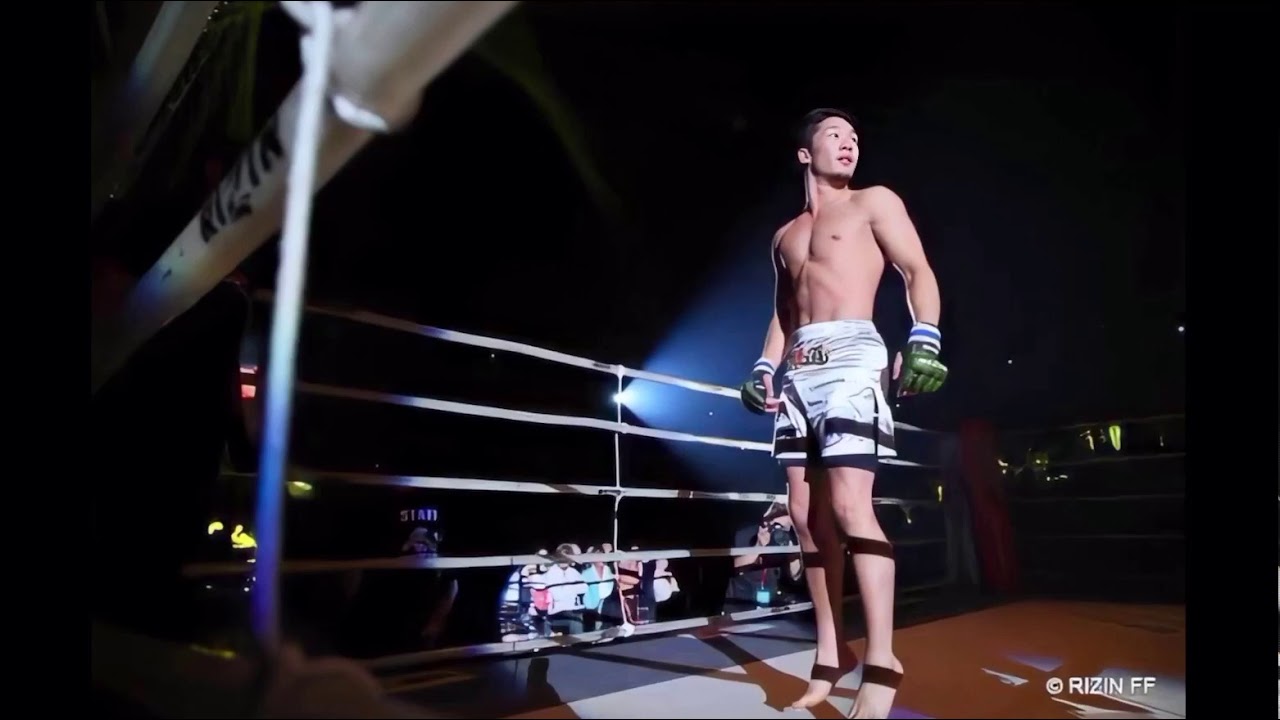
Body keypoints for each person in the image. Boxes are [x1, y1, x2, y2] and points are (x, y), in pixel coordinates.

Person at [737, 108, 948, 719]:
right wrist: (763, 366)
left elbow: (917, 270)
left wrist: (925, 336)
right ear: (805, 152)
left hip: (853, 356)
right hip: (799, 369)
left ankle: (883, 661)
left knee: (853, 507)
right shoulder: (784, 235)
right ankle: (829, 656)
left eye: (854, 137)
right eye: (835, 135)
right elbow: (786, 312)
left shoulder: (873, 201)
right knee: (806, 518)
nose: (849, 143)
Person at [724, 502, 804, 611]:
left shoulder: (790, 542)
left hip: (775, 609)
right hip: (740, 604)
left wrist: (794, 547)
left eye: (783, 528)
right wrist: (758, 547)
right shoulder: (746, 535)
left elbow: (795, 577)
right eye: (775, 526)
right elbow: (730, 568)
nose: (779, 532)